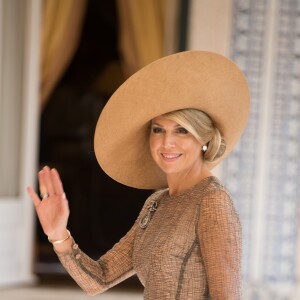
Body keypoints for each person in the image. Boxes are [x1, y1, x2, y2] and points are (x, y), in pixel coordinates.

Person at [27, 51, 250, 299]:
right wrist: (59, 235)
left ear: (204, 139)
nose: (167, 142)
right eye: (158, 129)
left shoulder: (212, 201)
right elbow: (99, 279)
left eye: (182, 131)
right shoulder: (156, 203)